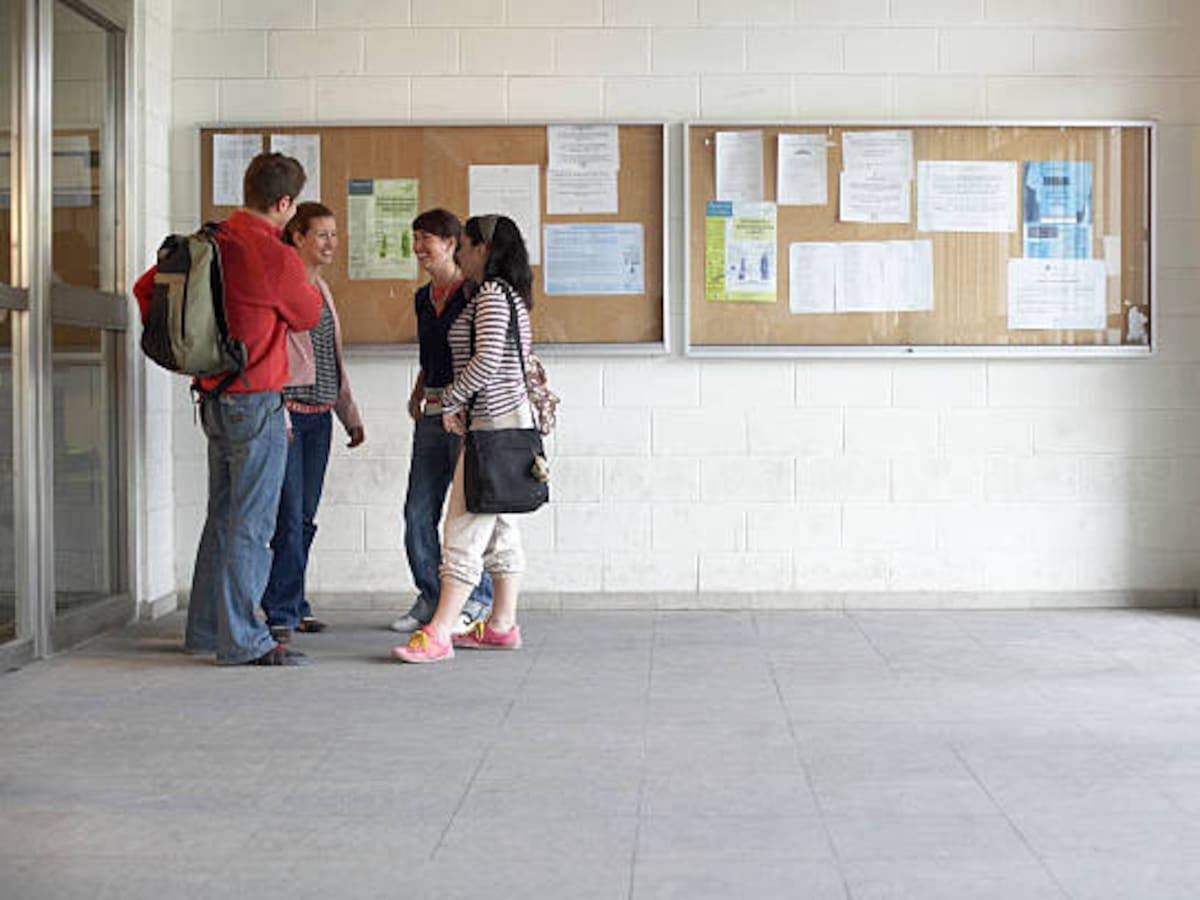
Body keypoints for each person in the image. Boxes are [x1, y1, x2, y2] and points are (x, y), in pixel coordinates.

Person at [134, 152, 322, 666]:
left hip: (213, 398)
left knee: (221, 518)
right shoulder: (274, 254)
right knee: (253, 525)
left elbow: (145, 289)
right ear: (284, 203)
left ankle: (205, 630)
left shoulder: (209, 241)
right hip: (256, 400)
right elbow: (308, 314)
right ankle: (242, 640)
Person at [394, 214, 533, 664]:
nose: (464, 254)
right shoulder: (509, 294)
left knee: (463, 528)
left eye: (467, 245)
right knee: (501, 528)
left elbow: (487, 359)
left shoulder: (489, 294)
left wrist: (451, 399)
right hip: (509, 424)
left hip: (490, 427)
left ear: (480, 249)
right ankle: (501, 625)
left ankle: (438, 632)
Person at [260, 202, 365, 644]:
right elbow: (271, 357)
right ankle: (280, 612)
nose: (331, 243)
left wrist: (349, 416)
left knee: (304, 518)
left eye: (334, 234)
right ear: (297, 236)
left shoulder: (321, 288)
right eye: (322, 234)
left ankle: (294, 603)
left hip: (320, 418)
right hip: (287, 417)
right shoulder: (283, 286)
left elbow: (331, 360)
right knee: (288, 518)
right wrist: (279, 411)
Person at [390, 209, 493, 636]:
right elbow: (430, 355)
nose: (418, 248)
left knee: (468, 515)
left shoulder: (473, 293)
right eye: (415, 239)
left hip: (468, 417)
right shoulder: (422, 298)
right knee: (417, 512)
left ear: (452, 244)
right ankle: (432, 597)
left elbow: (480, 357)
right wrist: (418, 391)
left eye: (426, 239)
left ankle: (476, 600)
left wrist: (461, 403)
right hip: (432, 414)